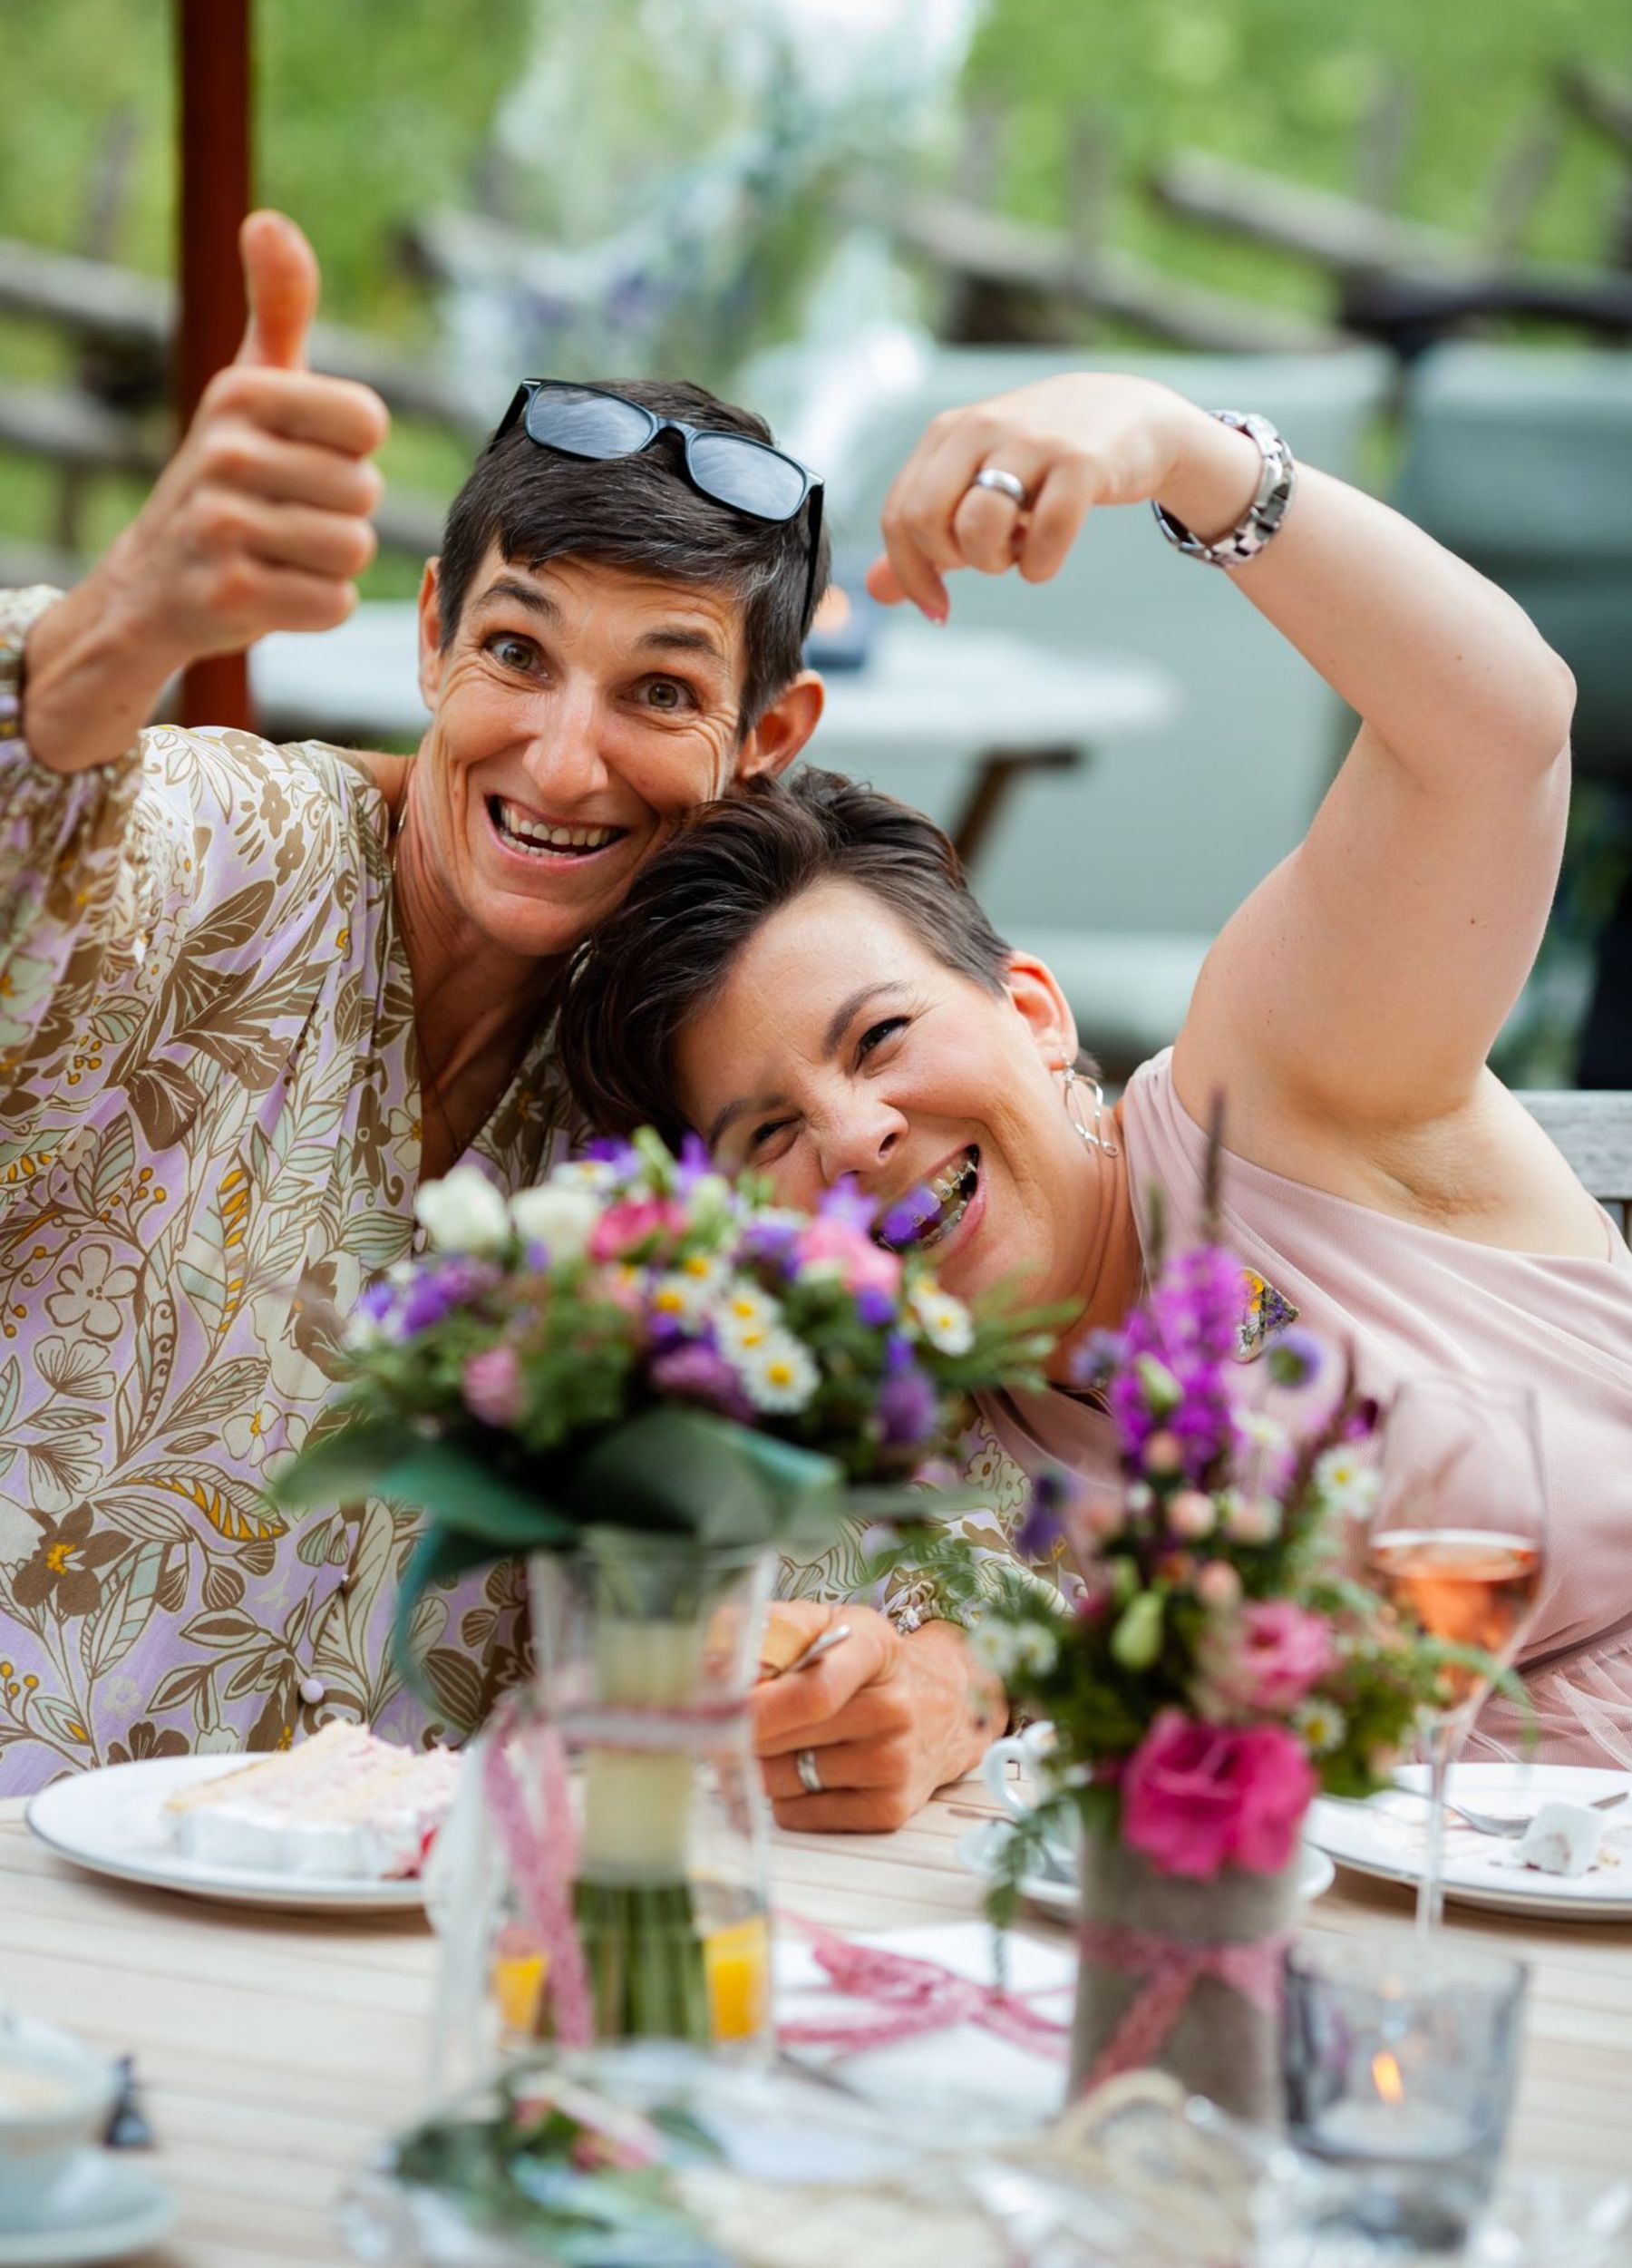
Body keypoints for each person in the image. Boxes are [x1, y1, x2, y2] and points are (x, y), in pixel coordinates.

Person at [557, 370, 1632, 1831]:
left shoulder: (1274, 1092)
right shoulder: (919, 1450)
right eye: (771, 1134)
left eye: (880, 1038)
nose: (857, 1136)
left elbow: (1498, 730)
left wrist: (1181, 452)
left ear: (1035, 1013)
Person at [0, 212, 825, 1791]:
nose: (564, 762)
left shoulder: (694, 1073)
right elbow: (50, 835)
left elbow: (896, 1405)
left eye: (661, 690)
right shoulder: (239, 851)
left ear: (767, 737)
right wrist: (122, 627)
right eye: (518, 650)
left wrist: (943, 1667)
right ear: (433, 633)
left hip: (386, 1920)